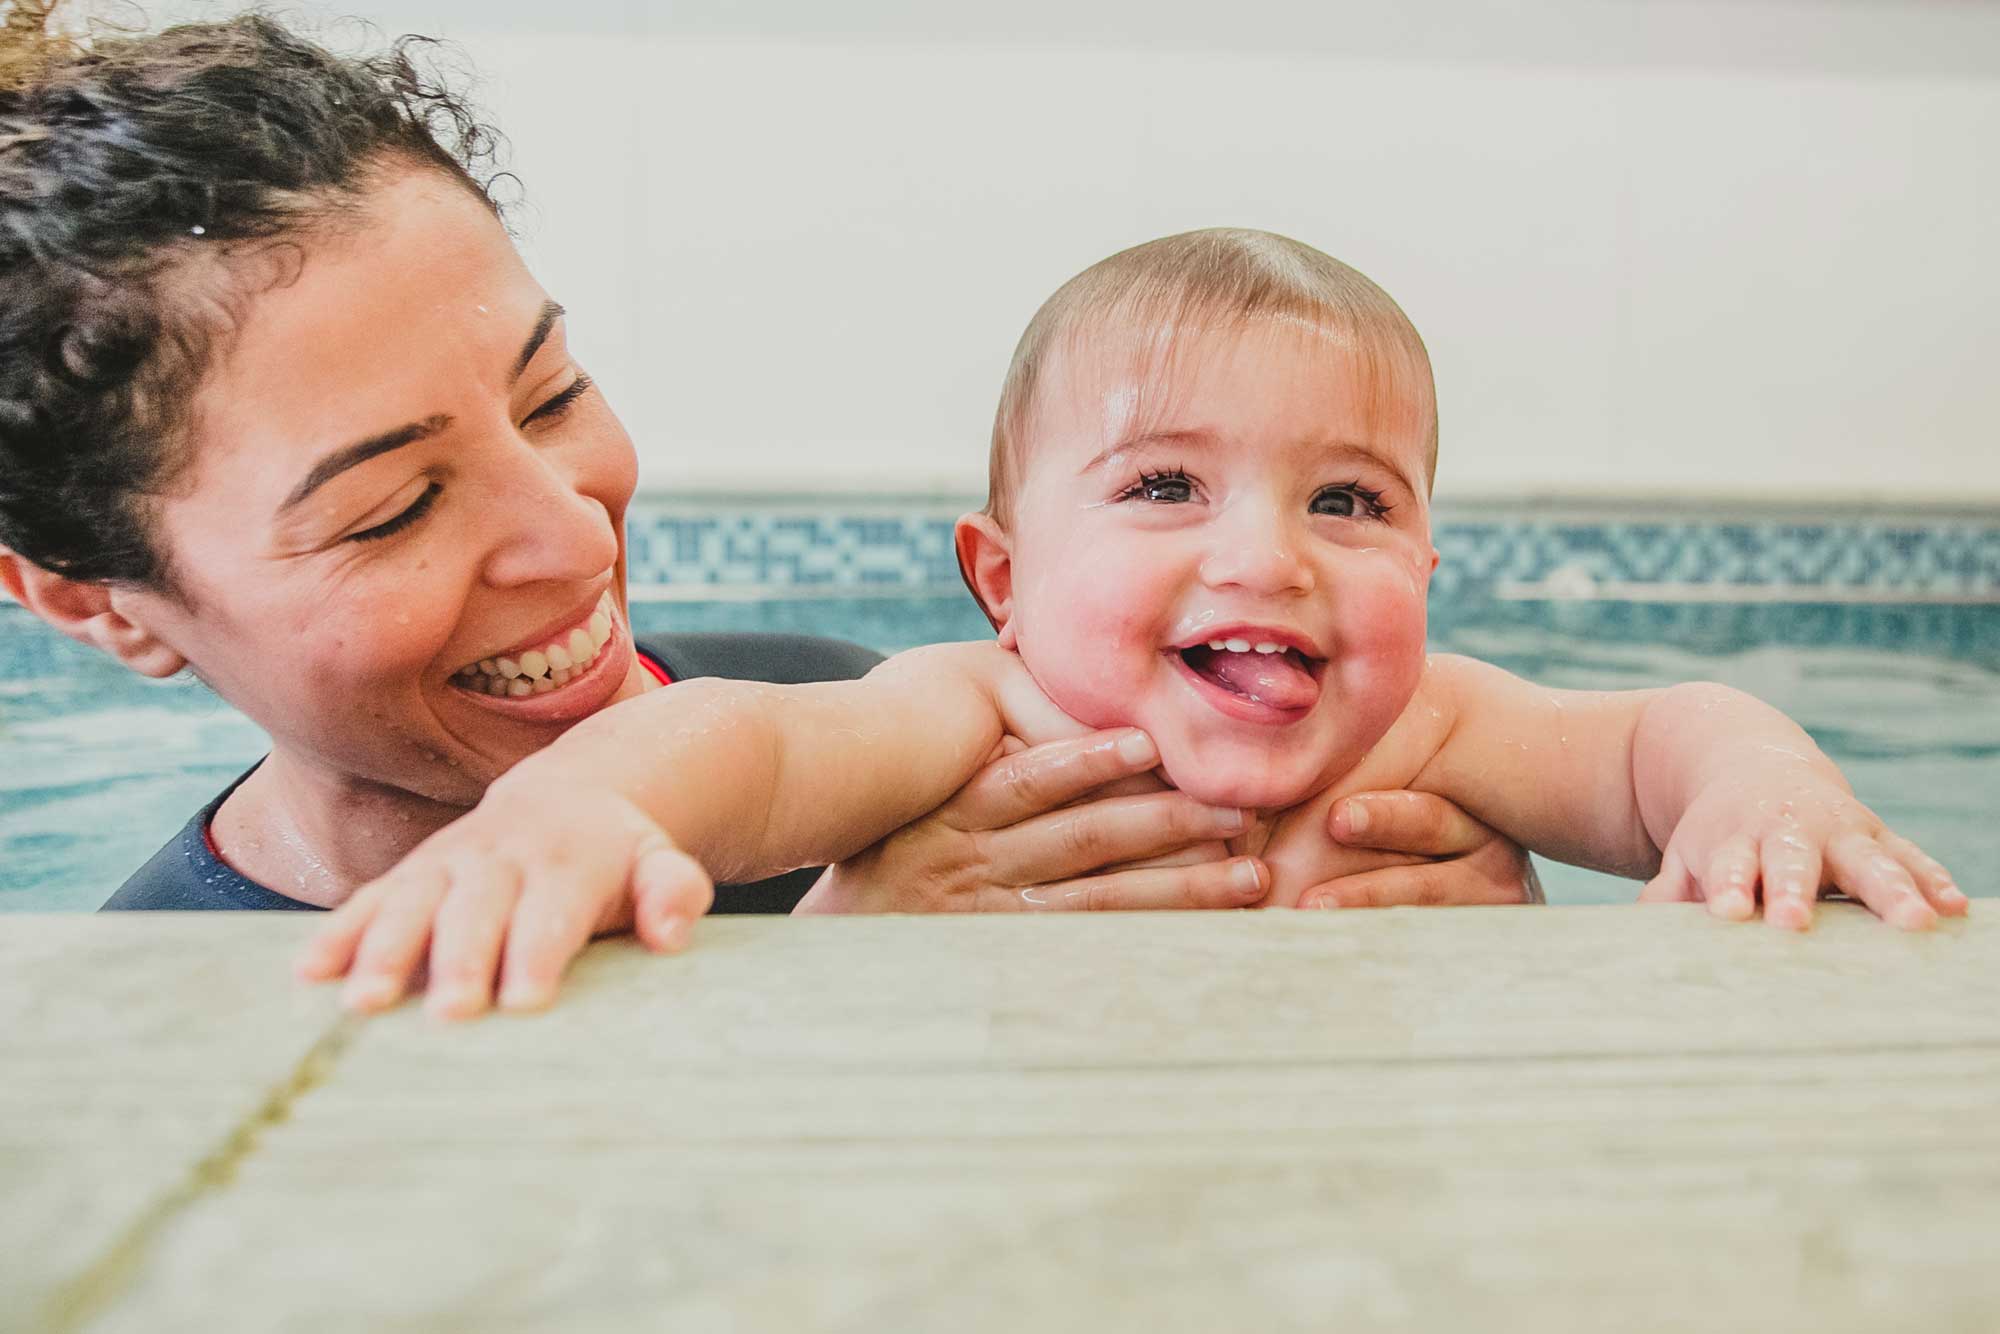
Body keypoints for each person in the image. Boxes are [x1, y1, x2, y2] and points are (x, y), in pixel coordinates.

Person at [0, 12, 1533, 925]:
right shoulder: (160, 1004)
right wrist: (833, 967)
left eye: (550, 394)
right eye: (393, 504)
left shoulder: (835, 702)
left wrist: (1457, 931)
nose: (571, 535)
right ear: (101, 602)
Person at [304, 227, 1968, 1017]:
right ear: (1004, 579)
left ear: (1431, 572)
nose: (1269, 556)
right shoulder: (976, 710)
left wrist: (1763, 791)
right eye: (1167, 486)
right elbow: (747, 733)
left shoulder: (1431, 722)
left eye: (1350, 500)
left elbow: (1658, 733)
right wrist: (574, 808)